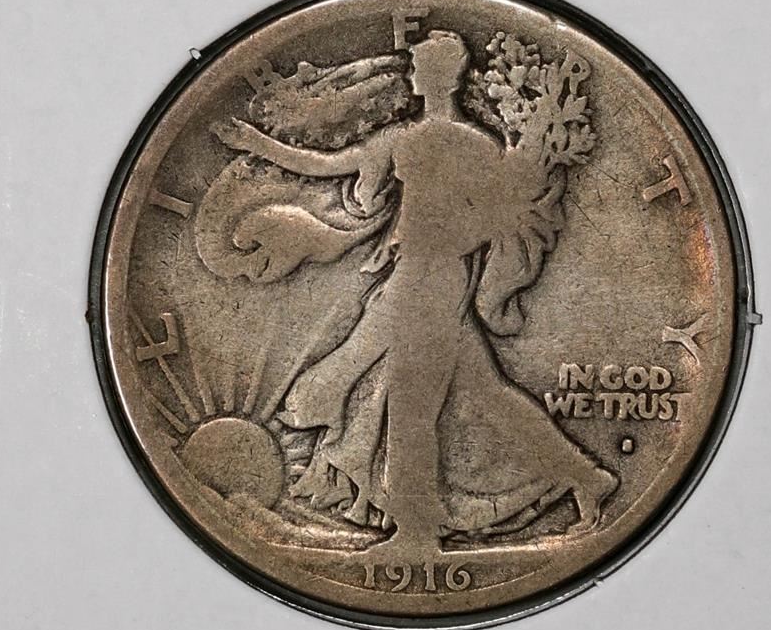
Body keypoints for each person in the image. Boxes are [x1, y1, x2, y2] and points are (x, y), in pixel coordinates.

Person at [216, 30, 618, 554]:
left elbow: (496, 217)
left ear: (444, 77)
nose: (414, 74)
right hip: (413, 277)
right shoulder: (408, 139)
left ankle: (417, 534)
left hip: (435, 281)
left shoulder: (473, 146)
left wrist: (448, 242)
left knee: (409, 409)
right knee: (488, 394)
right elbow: (328, 164)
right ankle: (588, 477)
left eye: (421, 66)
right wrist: (258, 145)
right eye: (415, 66)